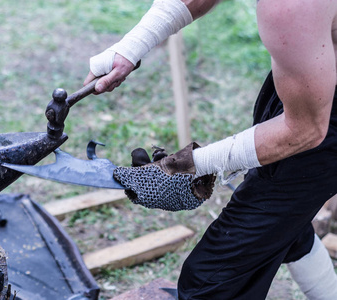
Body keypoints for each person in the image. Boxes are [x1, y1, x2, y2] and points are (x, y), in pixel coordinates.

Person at [83, 0, 337, 299]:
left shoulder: (289, 8)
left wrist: (188, 165)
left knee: (209, 283)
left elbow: (306, 131)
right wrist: (133, 45)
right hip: (315, 73)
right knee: (280, 222)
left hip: (318, 118)